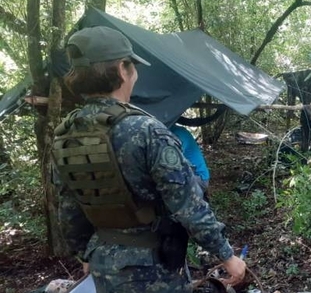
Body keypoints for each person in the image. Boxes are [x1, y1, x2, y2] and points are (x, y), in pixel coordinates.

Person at [53, 26, 245, 292]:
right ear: (123, 69)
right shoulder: (146, 131)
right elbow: (188, 206)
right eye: (133, 66)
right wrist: (227, 255)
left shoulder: (65, 133)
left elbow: (69, 207)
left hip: (103, 264)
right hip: (154, 269)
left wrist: (85, 254)